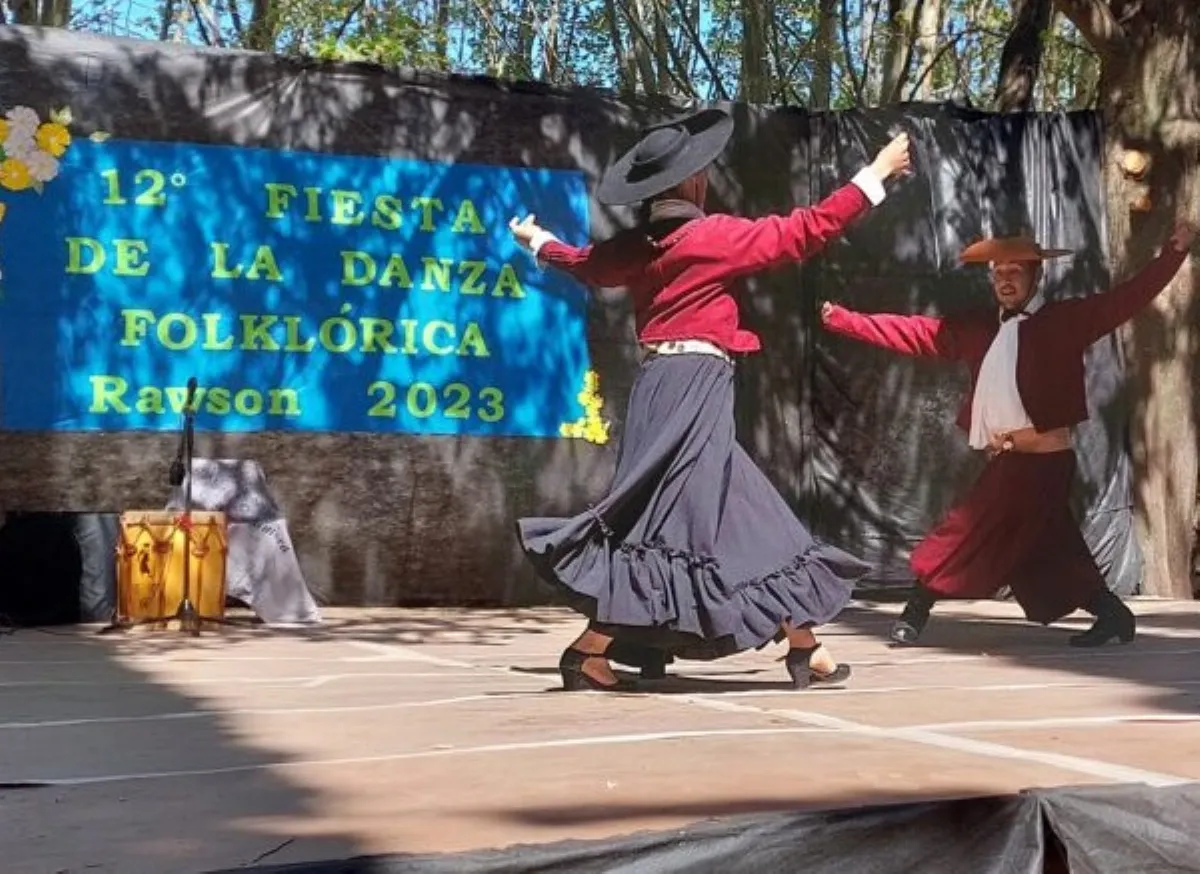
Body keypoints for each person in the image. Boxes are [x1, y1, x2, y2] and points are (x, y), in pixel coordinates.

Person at [508, 106, 912, 691]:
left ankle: (805, 645)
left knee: (752, 515)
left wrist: (538, 241)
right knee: (667, 522)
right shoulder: (711, 236)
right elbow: (807, 230)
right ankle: (588, 650)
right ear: (693, 180)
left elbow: (586, 265)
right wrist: (876, 173)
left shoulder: (636, 246)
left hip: (662, 386)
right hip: (695, 384)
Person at [820, 220, 1196, 647]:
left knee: (965, 528)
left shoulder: (1063, 321)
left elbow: (1127, 298)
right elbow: (915, 333)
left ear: (1036, 275)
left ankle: (917, 607)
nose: (1005, 280)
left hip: (1043, 463)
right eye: (998, 272)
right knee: (1050, 546)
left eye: (1015, 271)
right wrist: (844, 321)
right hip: (1012, 458)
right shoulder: (980, 328)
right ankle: (1112, 614)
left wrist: (1174, 252)